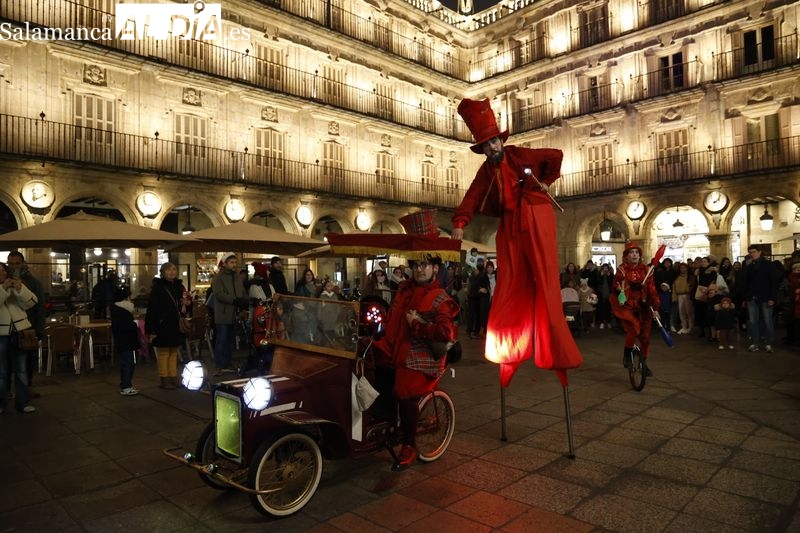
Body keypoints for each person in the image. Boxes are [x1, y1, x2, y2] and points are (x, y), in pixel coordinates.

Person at [451, 97, 582, 386]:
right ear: (483, 149)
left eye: (494, 142)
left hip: (535, 214)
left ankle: (555, 349)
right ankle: (510, 347)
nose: (492, 148)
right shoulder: (486, 171)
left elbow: (556, 155)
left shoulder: (518, 154)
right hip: (510, 223)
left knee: (545, 279)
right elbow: (472, 196)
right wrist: (460, 223)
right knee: (509, 281)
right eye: (487, 145)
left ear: (501, 140)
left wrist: (547, 181)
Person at [375, 238, 458, 467]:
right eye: (416, 265)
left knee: (404, 390)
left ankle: (409, 445)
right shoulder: (404, 289)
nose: (419, 269)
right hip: (397, 349)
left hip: (422, 357)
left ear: (435, 268)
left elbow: (445, 333)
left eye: (424, 265)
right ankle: (384, 425)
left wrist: (418, 325)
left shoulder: (440, 297)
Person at [610, 242, 660, 376]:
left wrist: (655, 308)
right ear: (626, 256)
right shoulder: (621, 270)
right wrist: (620, 289)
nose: (634, 255)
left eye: (637, 253)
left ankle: (643, 362)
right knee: (634, 328)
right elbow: (615, 286)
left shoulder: (646, 270)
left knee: (645, 338)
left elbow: (652, 290)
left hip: (643, 305)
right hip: (626, 305)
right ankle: (627, 354)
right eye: (631, 252)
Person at [0, 261, 38, 413]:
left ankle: (22, 403)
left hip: (19, 333)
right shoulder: (4, 288)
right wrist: (3, 289)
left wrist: (20, 288)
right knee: (1, 371)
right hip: (1, 335)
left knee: (21, 369)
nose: (2, 273)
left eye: (3, 270)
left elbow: (32, 302)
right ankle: (1, 403)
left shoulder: (15, 285)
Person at [6, 251, 45, 399]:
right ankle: (7, 389)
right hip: (7, 327)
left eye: (17, 263)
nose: (14, 266)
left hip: (27, 327)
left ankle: (27, 387)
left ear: (23, 263)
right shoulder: (4, 279)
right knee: (6, 360)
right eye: (11, 263)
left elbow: (39, 306)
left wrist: (39, 328)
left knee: (27, 360)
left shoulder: (33, 282)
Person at [145, 262, 189, 389]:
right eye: (169, 270)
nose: (172, 272)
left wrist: (186, 303)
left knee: (173, 351)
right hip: (162, 324)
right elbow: (152, 309)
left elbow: (183, 306)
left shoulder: (179, 287)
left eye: (174, 270)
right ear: (163, 273)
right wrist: (151, 328)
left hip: (175, 323)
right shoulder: (158, 287)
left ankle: (173, 377)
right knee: (164, 352)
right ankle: (164, 378)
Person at [210, 254, 248, 375]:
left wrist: (246, 301)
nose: (234, 265)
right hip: (223, 313)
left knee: (230, 340)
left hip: (235, 313)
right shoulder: (218, 278)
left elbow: (241, 291)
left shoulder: (236, 277)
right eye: (231, 262)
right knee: (221, 339)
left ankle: (227, 362)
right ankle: (218, 365)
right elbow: (219, 294)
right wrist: (234, 300)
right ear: (225, 264)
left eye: (235, 262)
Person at [741, 244, 777, 353]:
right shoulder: (749, 266)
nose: (752, 254)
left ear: (760, 252)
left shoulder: (768, 265)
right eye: (750, 252)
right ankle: (755, 343)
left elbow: (773, 282)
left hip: (766, 297)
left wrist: (772, 297)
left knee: (767, 321)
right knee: (753, 321)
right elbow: (745, 282)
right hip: (752, 297)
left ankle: (768, 343)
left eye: (754, 252)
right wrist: (745, 297)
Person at [111, 287, 140, 395]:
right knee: (128, 363)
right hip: (127, 340)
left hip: (122, 340)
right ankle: (126, 386)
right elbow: (126, 325)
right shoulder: (125, 310)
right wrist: (135, 324)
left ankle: (126, 384)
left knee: (126, 363)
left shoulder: (116, 309)